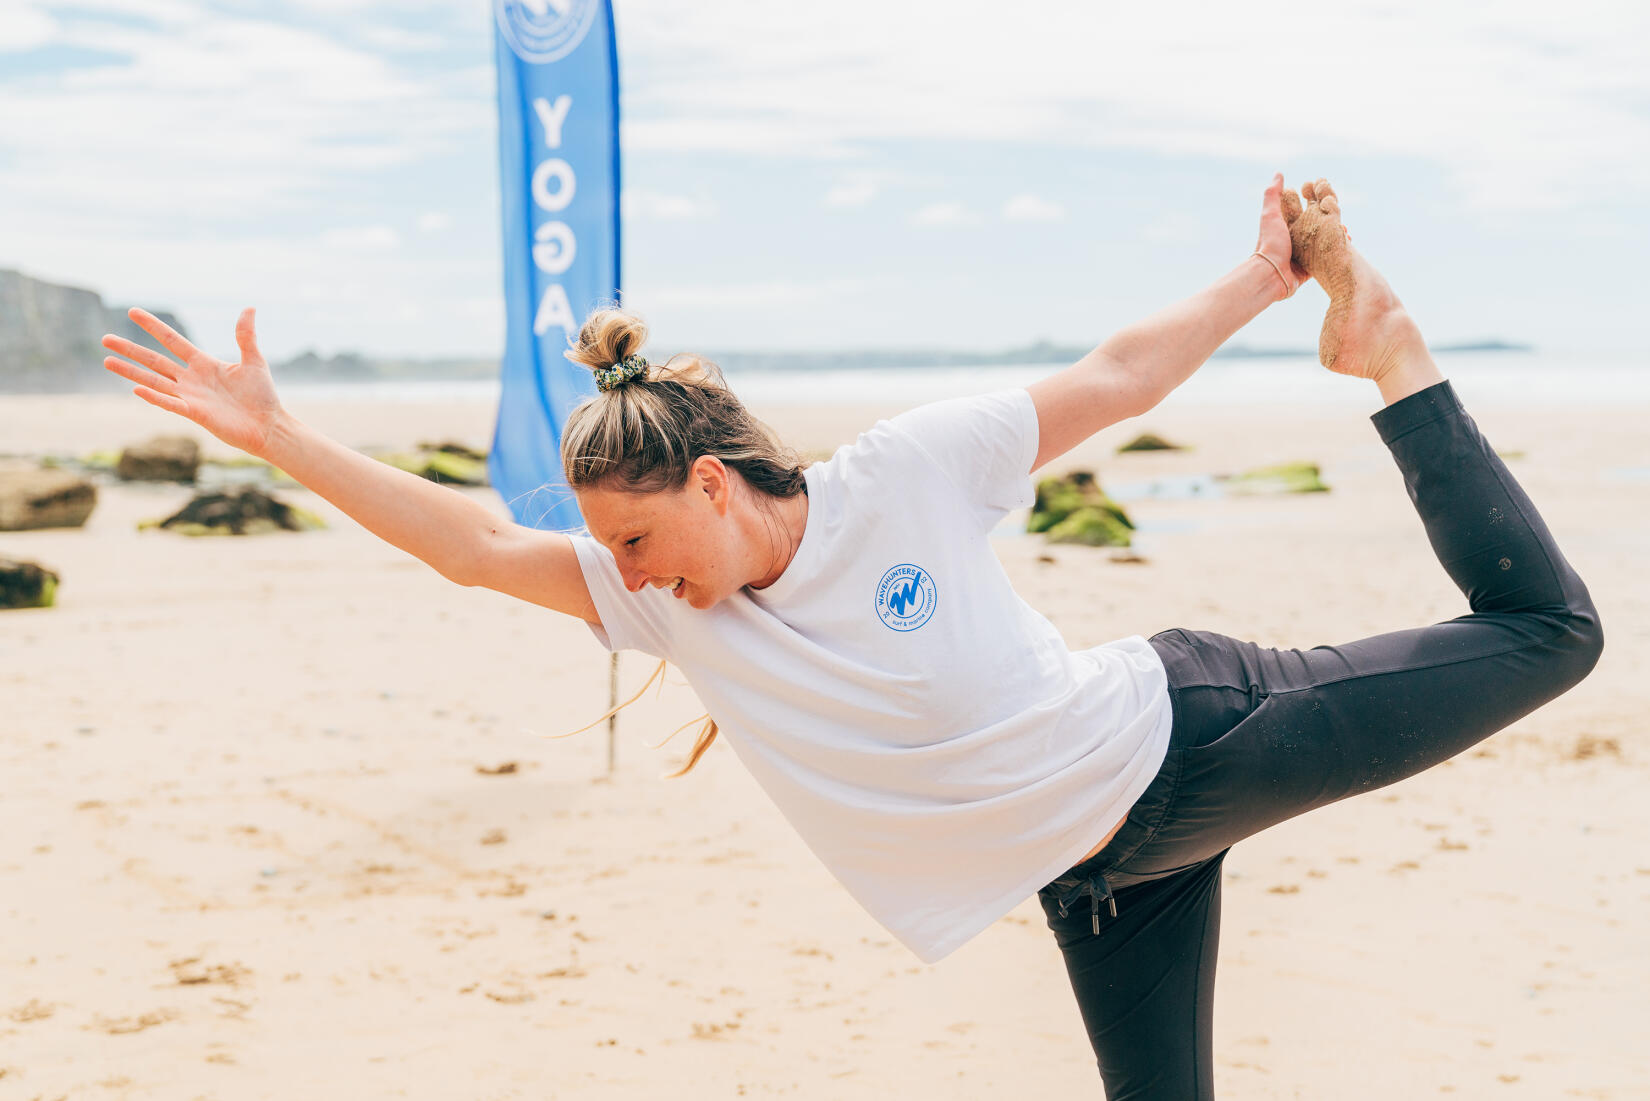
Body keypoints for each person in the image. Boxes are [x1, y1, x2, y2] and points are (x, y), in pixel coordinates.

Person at [101, 176, 1602, 1098]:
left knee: (1546, 632)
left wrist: (1267, 280)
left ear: (705, 481)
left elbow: (1117, 376)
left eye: (631, 538)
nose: (621, 577)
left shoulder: (904, 473)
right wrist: (279, 435)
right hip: (1092, 876)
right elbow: (480, 550)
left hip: (1183, 732)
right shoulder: (664, 604)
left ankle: (1389, 353)